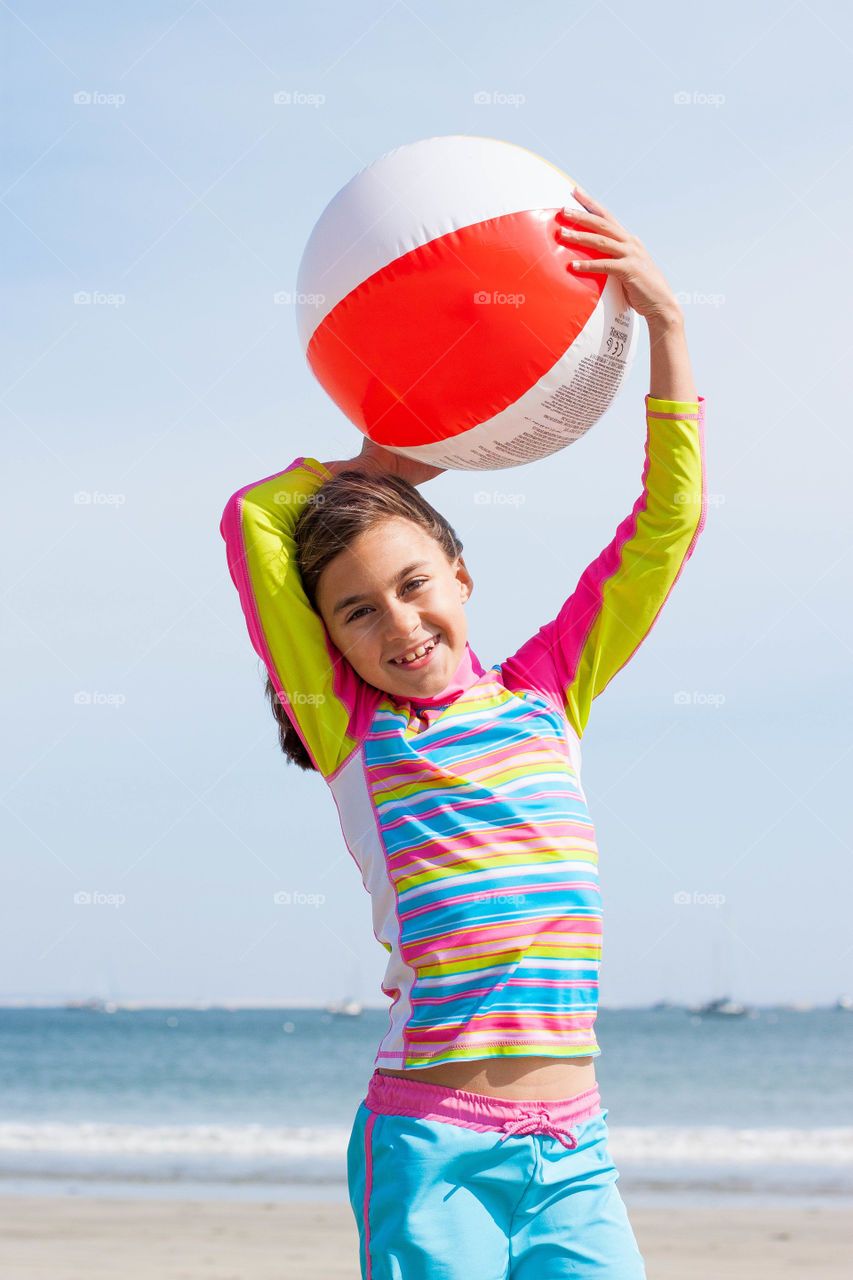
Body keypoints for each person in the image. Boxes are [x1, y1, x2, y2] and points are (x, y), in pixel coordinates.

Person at [220, 186, 706, 1279]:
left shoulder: (550, 694)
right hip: (430, 1146)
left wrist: (667, 326)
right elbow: (252, 516)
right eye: (356, 609)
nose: (398, 622)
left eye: (413, 583)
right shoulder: (352, 735)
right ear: (327, 644)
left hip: (576, 1150)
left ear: (462, 578)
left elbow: (666, 527)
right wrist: (379, 466)